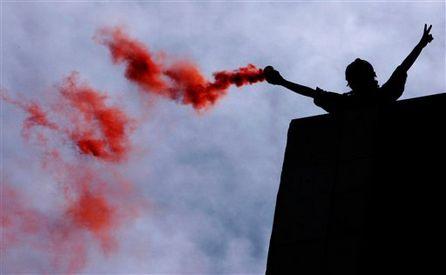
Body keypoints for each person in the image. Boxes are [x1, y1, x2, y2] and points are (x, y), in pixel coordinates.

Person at [264, 24, 434, 113]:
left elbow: (402, 67)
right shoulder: (349, 103)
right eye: (357, 77)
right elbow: (311, 93)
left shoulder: (377, 96)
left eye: (361, 75)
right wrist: (282, 82)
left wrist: (282, 82)